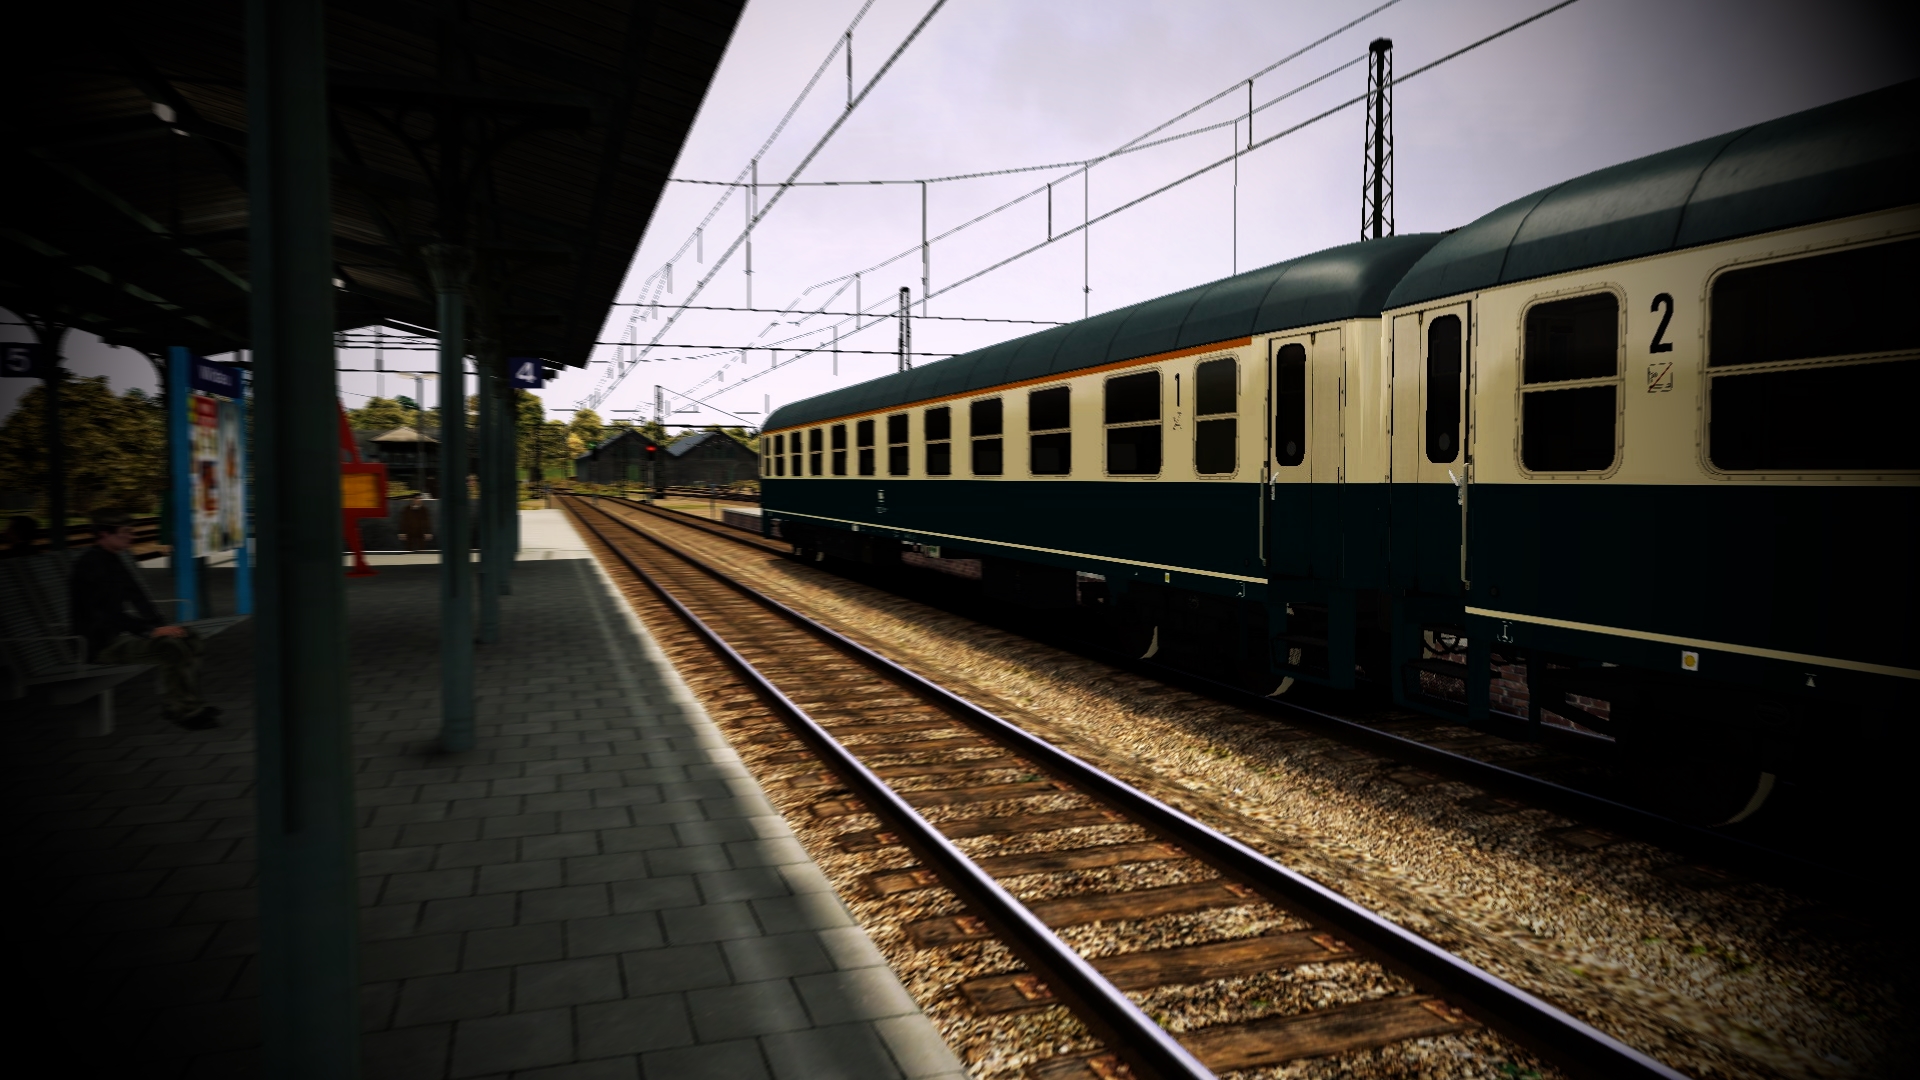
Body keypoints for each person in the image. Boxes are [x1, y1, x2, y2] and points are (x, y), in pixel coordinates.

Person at [69, 508, 218, 729]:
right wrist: (149, 631)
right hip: (100, 644)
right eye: (125, 532)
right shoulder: (91, 565)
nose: (131, 536)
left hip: (118, 635)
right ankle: (184, 711)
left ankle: (188, 702)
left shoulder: (114, 559)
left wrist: (162, 625)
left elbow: (137, 596)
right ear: (103, 534)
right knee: (169, 649)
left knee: (190, 638)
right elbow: (105, 614)